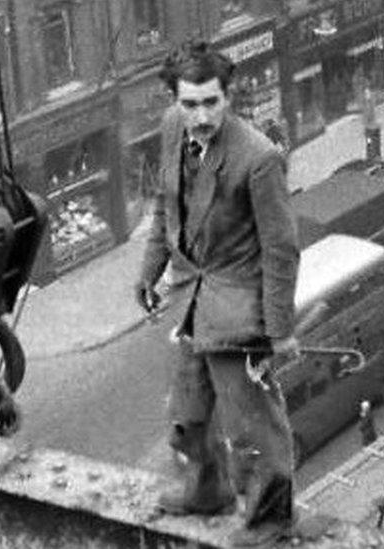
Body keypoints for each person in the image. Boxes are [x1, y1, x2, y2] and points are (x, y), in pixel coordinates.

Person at [134, 40, 302, 547]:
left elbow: (281, 250)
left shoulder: (258, 158)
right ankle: (206, 491)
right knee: (187, 411)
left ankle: (272, 520)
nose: (201, 115)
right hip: (191, 296)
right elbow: (167, 206)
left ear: (228, 95)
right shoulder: (171, 128)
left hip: (239, 306)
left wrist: (278, 333)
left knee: (252, 427)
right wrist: (149, 272)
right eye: (190, 103)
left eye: (211, 102)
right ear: (175, 100)